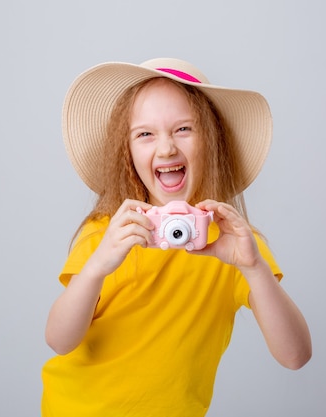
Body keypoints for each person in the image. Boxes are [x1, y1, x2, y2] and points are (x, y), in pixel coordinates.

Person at [41, 58, 311, 417]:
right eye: (145, 134)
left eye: (183, 129)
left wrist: (255, 267)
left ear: (211, 142)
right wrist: (96, 269)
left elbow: (295, 356)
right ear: (128, 153)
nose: (166, 148)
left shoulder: (234, 244)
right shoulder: (107, 235)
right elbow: (59, 341)